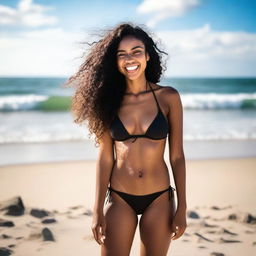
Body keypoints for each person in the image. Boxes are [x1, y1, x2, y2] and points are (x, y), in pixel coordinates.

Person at [66, 22, 187, 256]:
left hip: (159, 198)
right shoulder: (106, 102)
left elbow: (177, 156)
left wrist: (182, 206)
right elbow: (105, 158)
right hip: (120, 198)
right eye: (122, 55)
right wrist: (97, 209)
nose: (129, 59)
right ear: (115, 61)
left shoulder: (168, 97)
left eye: (136, 52)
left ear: (148, 56)